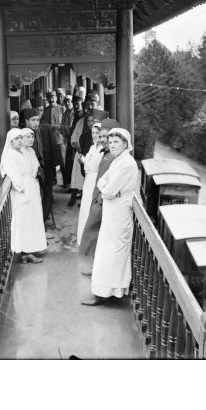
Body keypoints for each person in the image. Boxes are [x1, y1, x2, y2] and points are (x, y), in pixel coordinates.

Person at [82, 127, 138, 306]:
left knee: (113, 252)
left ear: (125, 144)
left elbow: (109, 190)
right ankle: (105, 291)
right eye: (111, 141)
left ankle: (108, 292)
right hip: (112, 210)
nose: (112, 145)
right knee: (106, 251)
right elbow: (102, 182)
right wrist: (106, 188)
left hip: (119, 212)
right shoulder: (117, 161)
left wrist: (107, 189)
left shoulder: (127, 163)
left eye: (116, 142)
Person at [79, 118, 120, 276]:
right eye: (101, 136)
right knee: (95, 234)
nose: (103, 139)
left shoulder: (113, 156)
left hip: (105, 201)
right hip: (98, 197)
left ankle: (99, 269)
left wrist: (100, 195)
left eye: (106, 136)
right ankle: (95, 265)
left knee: (100, 235)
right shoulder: (105, 153)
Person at [0, 128, 46, 264]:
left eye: (21, 138)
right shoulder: (10, 155)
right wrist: (23, 189)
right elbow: (14, 175)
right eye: (17, 139)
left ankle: (31, 249)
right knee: (24, 221)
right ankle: (25, 252)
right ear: (11, 141)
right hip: (23, 191)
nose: (20, 141)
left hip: (31, 187)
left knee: (32, 220)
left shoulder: (24, 152)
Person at [24, 108, 61, 223]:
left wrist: (56, 165)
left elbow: (53, 147)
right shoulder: (23, 134)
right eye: (33, 120)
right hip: (32, 171)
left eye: (37, 120)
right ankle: (35, 221)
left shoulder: (46, 129)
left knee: (47, 194)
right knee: (35, 195)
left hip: (47, 167)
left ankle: (43, 221)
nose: (36, 123)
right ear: (26, 121)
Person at [76, 121, 103, 245]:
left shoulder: (102, 149)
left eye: (97, 133)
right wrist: (85, 161)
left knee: (91, 208)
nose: (95, 135)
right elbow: (90, 164)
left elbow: (94, 166)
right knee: (85, 207)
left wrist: (83, 160)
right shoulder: (93, 147)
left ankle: (90, 240)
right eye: (93, 133)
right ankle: (82, 238)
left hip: (94, 180)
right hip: (88, 180)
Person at [60, 94, 74, 187]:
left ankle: (73, 185)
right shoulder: (65, 113)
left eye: (69, 101)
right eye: (66, 101)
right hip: (67, 140)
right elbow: (63, 126)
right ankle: (68, 183)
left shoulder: (74, 112)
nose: (68, 103)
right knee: (67, 162)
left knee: (73, 163)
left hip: (74, 141)